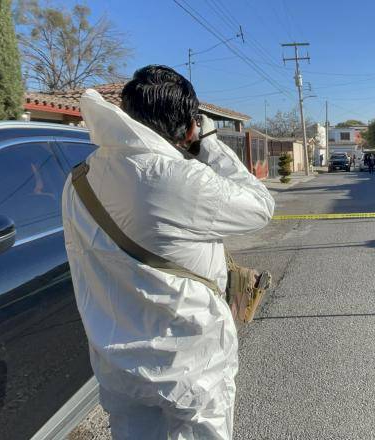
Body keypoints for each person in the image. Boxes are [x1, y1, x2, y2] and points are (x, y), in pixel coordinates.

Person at [61, 65, 275, 440]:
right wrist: (208, 140)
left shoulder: (79, 178)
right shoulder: (180, 179)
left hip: (117, 365)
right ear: (188, 127)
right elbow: (260, 206)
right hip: (190, 364)